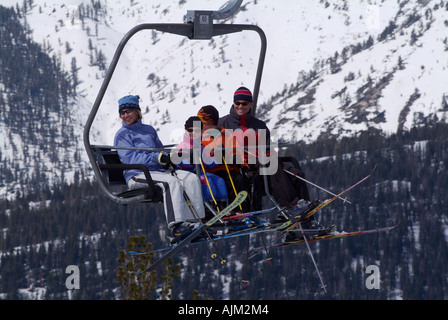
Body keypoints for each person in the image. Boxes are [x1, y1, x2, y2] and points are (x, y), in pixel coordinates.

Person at [113, 95, 205, 243]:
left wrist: (168, 159)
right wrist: (156, 158)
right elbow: (129, 159)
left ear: (137, 111)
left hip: (157, 171)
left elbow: (159, 150)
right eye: (122, 112)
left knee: (191, 178)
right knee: (170, 182)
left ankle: (195, 223)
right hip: (137, 173)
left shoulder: (149, 130)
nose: (125, 115)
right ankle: (177, 227)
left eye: (128, 111)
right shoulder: (122, 135)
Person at [218, 87, 315, 226]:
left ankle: (306, 221)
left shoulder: (259, 125)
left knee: (296, 174)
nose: (240, 106)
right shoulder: (223, 124)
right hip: (240, 164)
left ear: (250, 104)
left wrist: (268, 155)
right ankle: (291, 207)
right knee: (271, 166)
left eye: (244, 104)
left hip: (261, 161)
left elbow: (269, 148)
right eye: (237, 103)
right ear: (233, 103)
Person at [197, 105, 251, 212]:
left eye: (203, 123)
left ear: (211, 123)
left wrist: (243, 165)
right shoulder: (198, 137)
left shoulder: (225, 135)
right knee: (225, 182)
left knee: (240, 180)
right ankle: (228, 210)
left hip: (227, 168)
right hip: (210, 170)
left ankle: (244, 210)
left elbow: (237, 151)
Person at [173, 116, 228, 213]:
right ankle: (208, 207)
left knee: (219, 180)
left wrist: (217, 158)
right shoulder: (182, 146)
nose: (192, 133)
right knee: (208, 181)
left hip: (200, 172)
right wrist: (188, 160)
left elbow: (209, 162)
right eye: (190, 130)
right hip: (188, 174)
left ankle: (222, 205)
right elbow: (177, 162)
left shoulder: (201, 146)